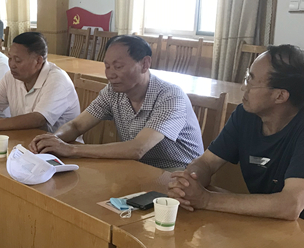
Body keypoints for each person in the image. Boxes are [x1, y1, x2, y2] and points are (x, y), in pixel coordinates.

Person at [168, 45, 304, 220]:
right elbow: (207, 162)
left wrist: (206, 199)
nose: (243, 88)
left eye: (251, 82)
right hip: (268, 223)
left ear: (280, 96)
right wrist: (189, 183)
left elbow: (291, 205)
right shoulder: (245, 115)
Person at [29, 35, 204, 169]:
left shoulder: (170, 96)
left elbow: (138, 148)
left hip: (178, 174)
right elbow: (77, 125)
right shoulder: (113, 91)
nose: (110, 74)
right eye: (107, 66)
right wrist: (53, 140)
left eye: (118, 66)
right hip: (137, 168)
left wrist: (71, 149)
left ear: (145, 64)